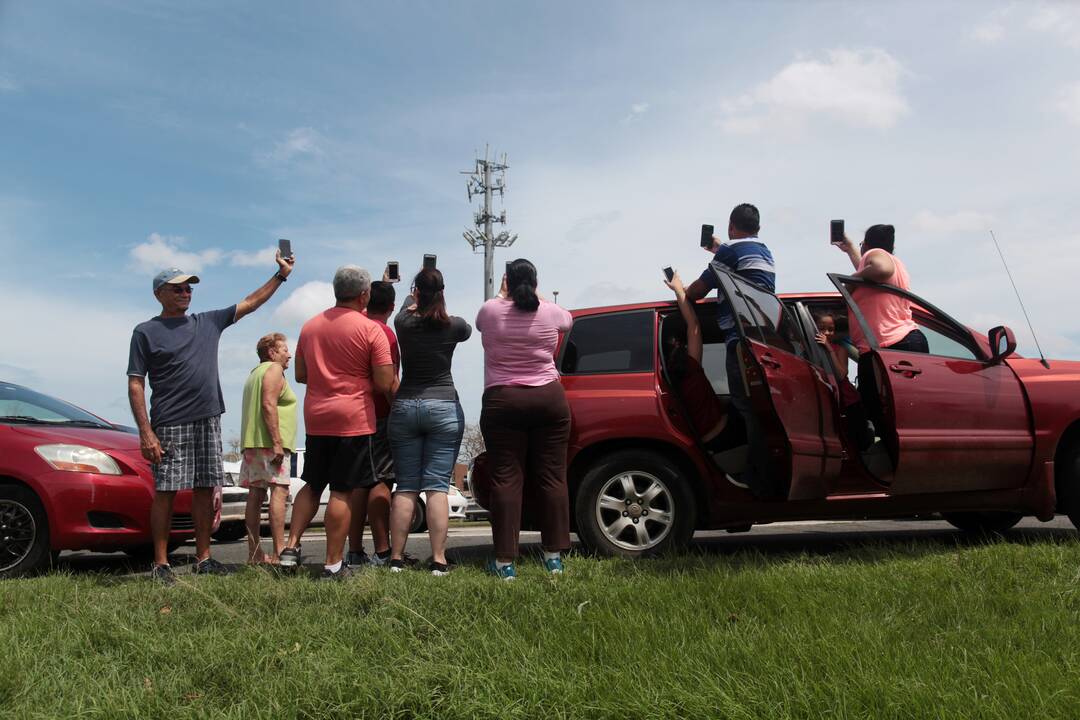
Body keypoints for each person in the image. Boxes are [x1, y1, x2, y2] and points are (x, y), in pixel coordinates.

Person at [127, 252, 294, 584]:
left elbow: (249, 303)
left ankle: (204, 558)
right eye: (177, 289)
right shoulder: (145, 332)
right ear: (159, 293)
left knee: (205, 488)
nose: (185, 294)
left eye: (189, 288)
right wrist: (146, 432)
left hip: (208, 419)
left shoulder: (207, 322)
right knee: (167, 490)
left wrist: (281, 276)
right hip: (170, 422)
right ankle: (160, 564)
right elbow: (135, 382)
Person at [278, 265, 394, 580]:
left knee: (313, 483)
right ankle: (332, 564)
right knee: (342, 491)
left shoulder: (310, 326)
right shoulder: (371, 330)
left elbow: (301, 374)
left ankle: (290, 547)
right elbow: (385, 381)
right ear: (364, 295)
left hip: (316, 416)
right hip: (353, 419)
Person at [476, 258, 573, 580]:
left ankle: (505, 564)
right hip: (548, 398)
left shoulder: (490, 310)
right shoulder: (549, 311)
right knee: (552, 477)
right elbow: (568, 321)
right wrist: (535, 292)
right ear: (534, 282)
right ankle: (554, 558)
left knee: (505, 478)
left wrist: (507, 293)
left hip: (503, 400)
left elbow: (482, 322)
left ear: (506, 280)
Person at [684, 203, 776, 497]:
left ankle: (756, 477)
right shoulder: (764, 251)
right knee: (759, 408)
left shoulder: (730, 252)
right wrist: (719, 250)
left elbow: (697, 291)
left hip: (740, 339)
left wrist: (679, 289)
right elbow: (739, 266)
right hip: (762, 340)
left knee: (747, 408)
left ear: (731, 226)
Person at [388, 267, 471, 576]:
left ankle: (396, 559)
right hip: (443, 406)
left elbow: (405, 306)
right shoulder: (454, 326)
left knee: (406, 486)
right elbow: (467, 329)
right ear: (442, 294)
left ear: (417, 293)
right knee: (436, 487)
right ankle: (438, 559)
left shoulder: (403, 322)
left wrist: (411, 296)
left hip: (406, 405)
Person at [346, 278, 399, 569]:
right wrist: (398, 411)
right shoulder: (386, 335)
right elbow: (388, 382)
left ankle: (354, 550)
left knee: (358, 484)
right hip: (380, 414)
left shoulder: (355, 327)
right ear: (392, 307)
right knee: (382, 479)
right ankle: (382, 550)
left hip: (353, 413)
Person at [238, 332, 297, 565]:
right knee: (279, 492)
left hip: (253, 443)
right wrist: (277, 443)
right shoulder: (273, 370)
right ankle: (280, 550)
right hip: (270, 444)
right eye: (285, 350)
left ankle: (254, 553)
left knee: (255, 494)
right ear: (272, 353)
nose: (289, 355)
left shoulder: (254, 374)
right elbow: (268, 404)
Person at [832, 224, 928, 354]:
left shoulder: (875, 253)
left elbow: (881, 270)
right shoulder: (897, 265)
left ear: (865, 245)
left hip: (890, 344)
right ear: (892, 247)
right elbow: (868, 274)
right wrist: (850, 249)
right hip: (903, 340)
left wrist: (852, 280)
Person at [662, 270, 728, 448]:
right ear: (680, 347)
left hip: (701, 443)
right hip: (721, 434)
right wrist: (678, 291)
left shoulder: (665, 385)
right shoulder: (691, 368)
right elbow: (694, 324)